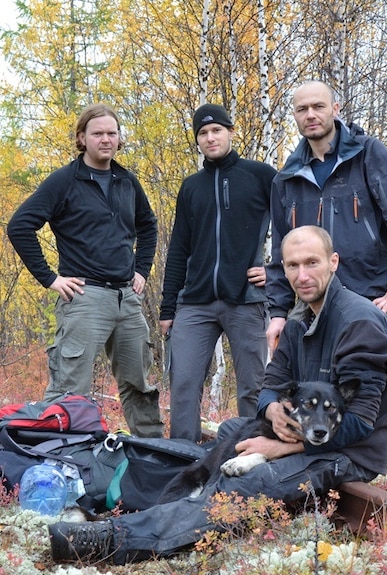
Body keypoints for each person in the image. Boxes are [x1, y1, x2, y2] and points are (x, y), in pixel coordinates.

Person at [49, 226, 387, 564]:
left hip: (349, 453)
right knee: (232, 434)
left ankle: (110, 539)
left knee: (242, 482)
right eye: (292, 266)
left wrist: (281, 447)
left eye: (312, 263)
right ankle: (156, 503)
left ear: (333, 262)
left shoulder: (359, 323)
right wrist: (271, 414)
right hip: (304, 434)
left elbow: (359, 424)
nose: (302, 275)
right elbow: (270, 388)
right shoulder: (298, 322)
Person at [266, 81, 387, 495]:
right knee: (322, 386)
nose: (311, 115)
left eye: (318, 106)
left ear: (335, 108)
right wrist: (276, 310)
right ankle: (325, 459)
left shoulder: (368, 156)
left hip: (372, 293)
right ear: (295, 114)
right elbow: (280, 250)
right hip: (314, 302)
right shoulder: (287, 177)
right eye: (302, 108)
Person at [7, 103, 163, 438]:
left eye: (112, 133)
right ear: (82, 138)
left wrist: (141, 270)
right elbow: (20, 226)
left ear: (119, 138)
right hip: (84, 297)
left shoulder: (126, 181)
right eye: (98, 133)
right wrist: (50, 278)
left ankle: (152, 454)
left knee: (139, 383)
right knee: (70, 389)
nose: (106, 139)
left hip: (127, 298)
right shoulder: (64, 181)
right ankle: (62, 460)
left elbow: (148, 227)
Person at [159, 103, 275, 442]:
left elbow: (294, 224)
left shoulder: (260, 175)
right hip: (195, 302)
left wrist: (277, 270)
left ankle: (251, 461)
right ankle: (181, 459)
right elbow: (179, 248)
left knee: (252, 388)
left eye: (216, 130)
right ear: (197, 140)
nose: (211, 138)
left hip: (246, 300)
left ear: (230, 132)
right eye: (203, 133)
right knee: (183, 382)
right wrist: (168, 308)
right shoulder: (191, 187)